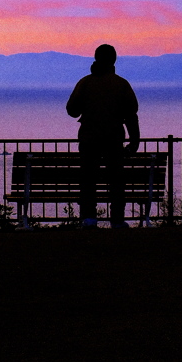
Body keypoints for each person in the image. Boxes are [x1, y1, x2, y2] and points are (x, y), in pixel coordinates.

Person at [66, 44, 140, 228]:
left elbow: (72, 110)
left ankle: (89, 218)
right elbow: (131, 115)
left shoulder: (85, 83)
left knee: (88, 179)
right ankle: (117, 219)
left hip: (89, 139)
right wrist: (134, 141)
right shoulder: (121, 84)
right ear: (114, 60)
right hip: (114, 139)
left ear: (95, 58)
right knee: (116, 180)